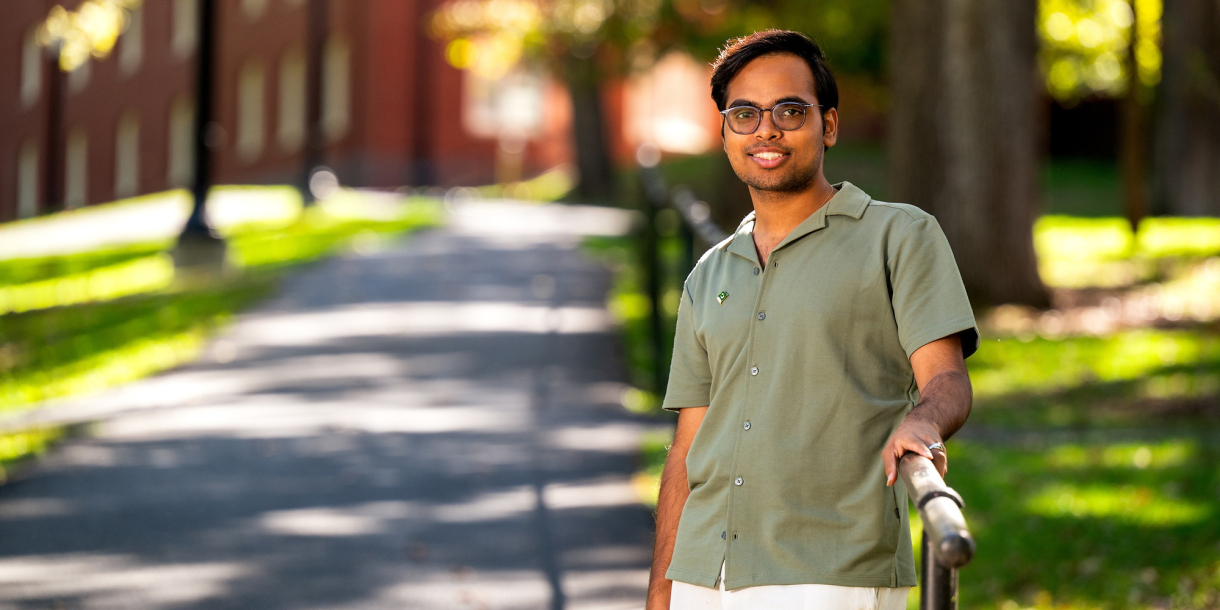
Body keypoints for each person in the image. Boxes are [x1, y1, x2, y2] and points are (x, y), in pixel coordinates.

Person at [645, 30, 979, 610]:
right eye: (744, 114)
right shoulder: (708, 273)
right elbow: (687, 447)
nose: (766, 130)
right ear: (725, 133)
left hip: (830, 572)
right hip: (702, 574)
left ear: (827, 125)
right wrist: (661, 590)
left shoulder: (899, 236)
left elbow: (947, 381)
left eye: (790, 111)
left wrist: (924, 424)